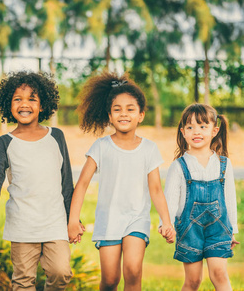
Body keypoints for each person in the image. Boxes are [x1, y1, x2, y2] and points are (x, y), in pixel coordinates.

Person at [67, 71, 176, 291]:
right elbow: (82, 185)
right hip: (108, 221)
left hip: (137, 219)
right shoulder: (101, 147)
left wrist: (166, 221)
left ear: (141, 115)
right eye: (117, 109)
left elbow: (155, 189)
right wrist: (72, 220)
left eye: (130, 109)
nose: (123, 114)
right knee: (110, 280)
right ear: (109, 115)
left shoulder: (149, 149)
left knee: (133, 272)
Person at [0, 71, 74, 291]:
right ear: (8, 105)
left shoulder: (56, 137)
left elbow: (66, 183)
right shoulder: (5, 142)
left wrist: (73, 218)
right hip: (22, 225)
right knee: (23, 281)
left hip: (55, 223)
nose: (25, 104)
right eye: (18, 99)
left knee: (61, 273)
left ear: (42, 106)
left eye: (32, 98)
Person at [164, 103, 240, 291]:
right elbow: (170, 199)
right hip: (190, 230)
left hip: (219, 228)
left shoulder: (224, 164)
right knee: (193, 281)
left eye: (202, 127)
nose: (196, 132)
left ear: (214, 130)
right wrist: (166, 224)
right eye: (190, 127)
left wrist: (232, 230)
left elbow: (230, 198)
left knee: (220, 275)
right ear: (183, 132)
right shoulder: (179, 166)